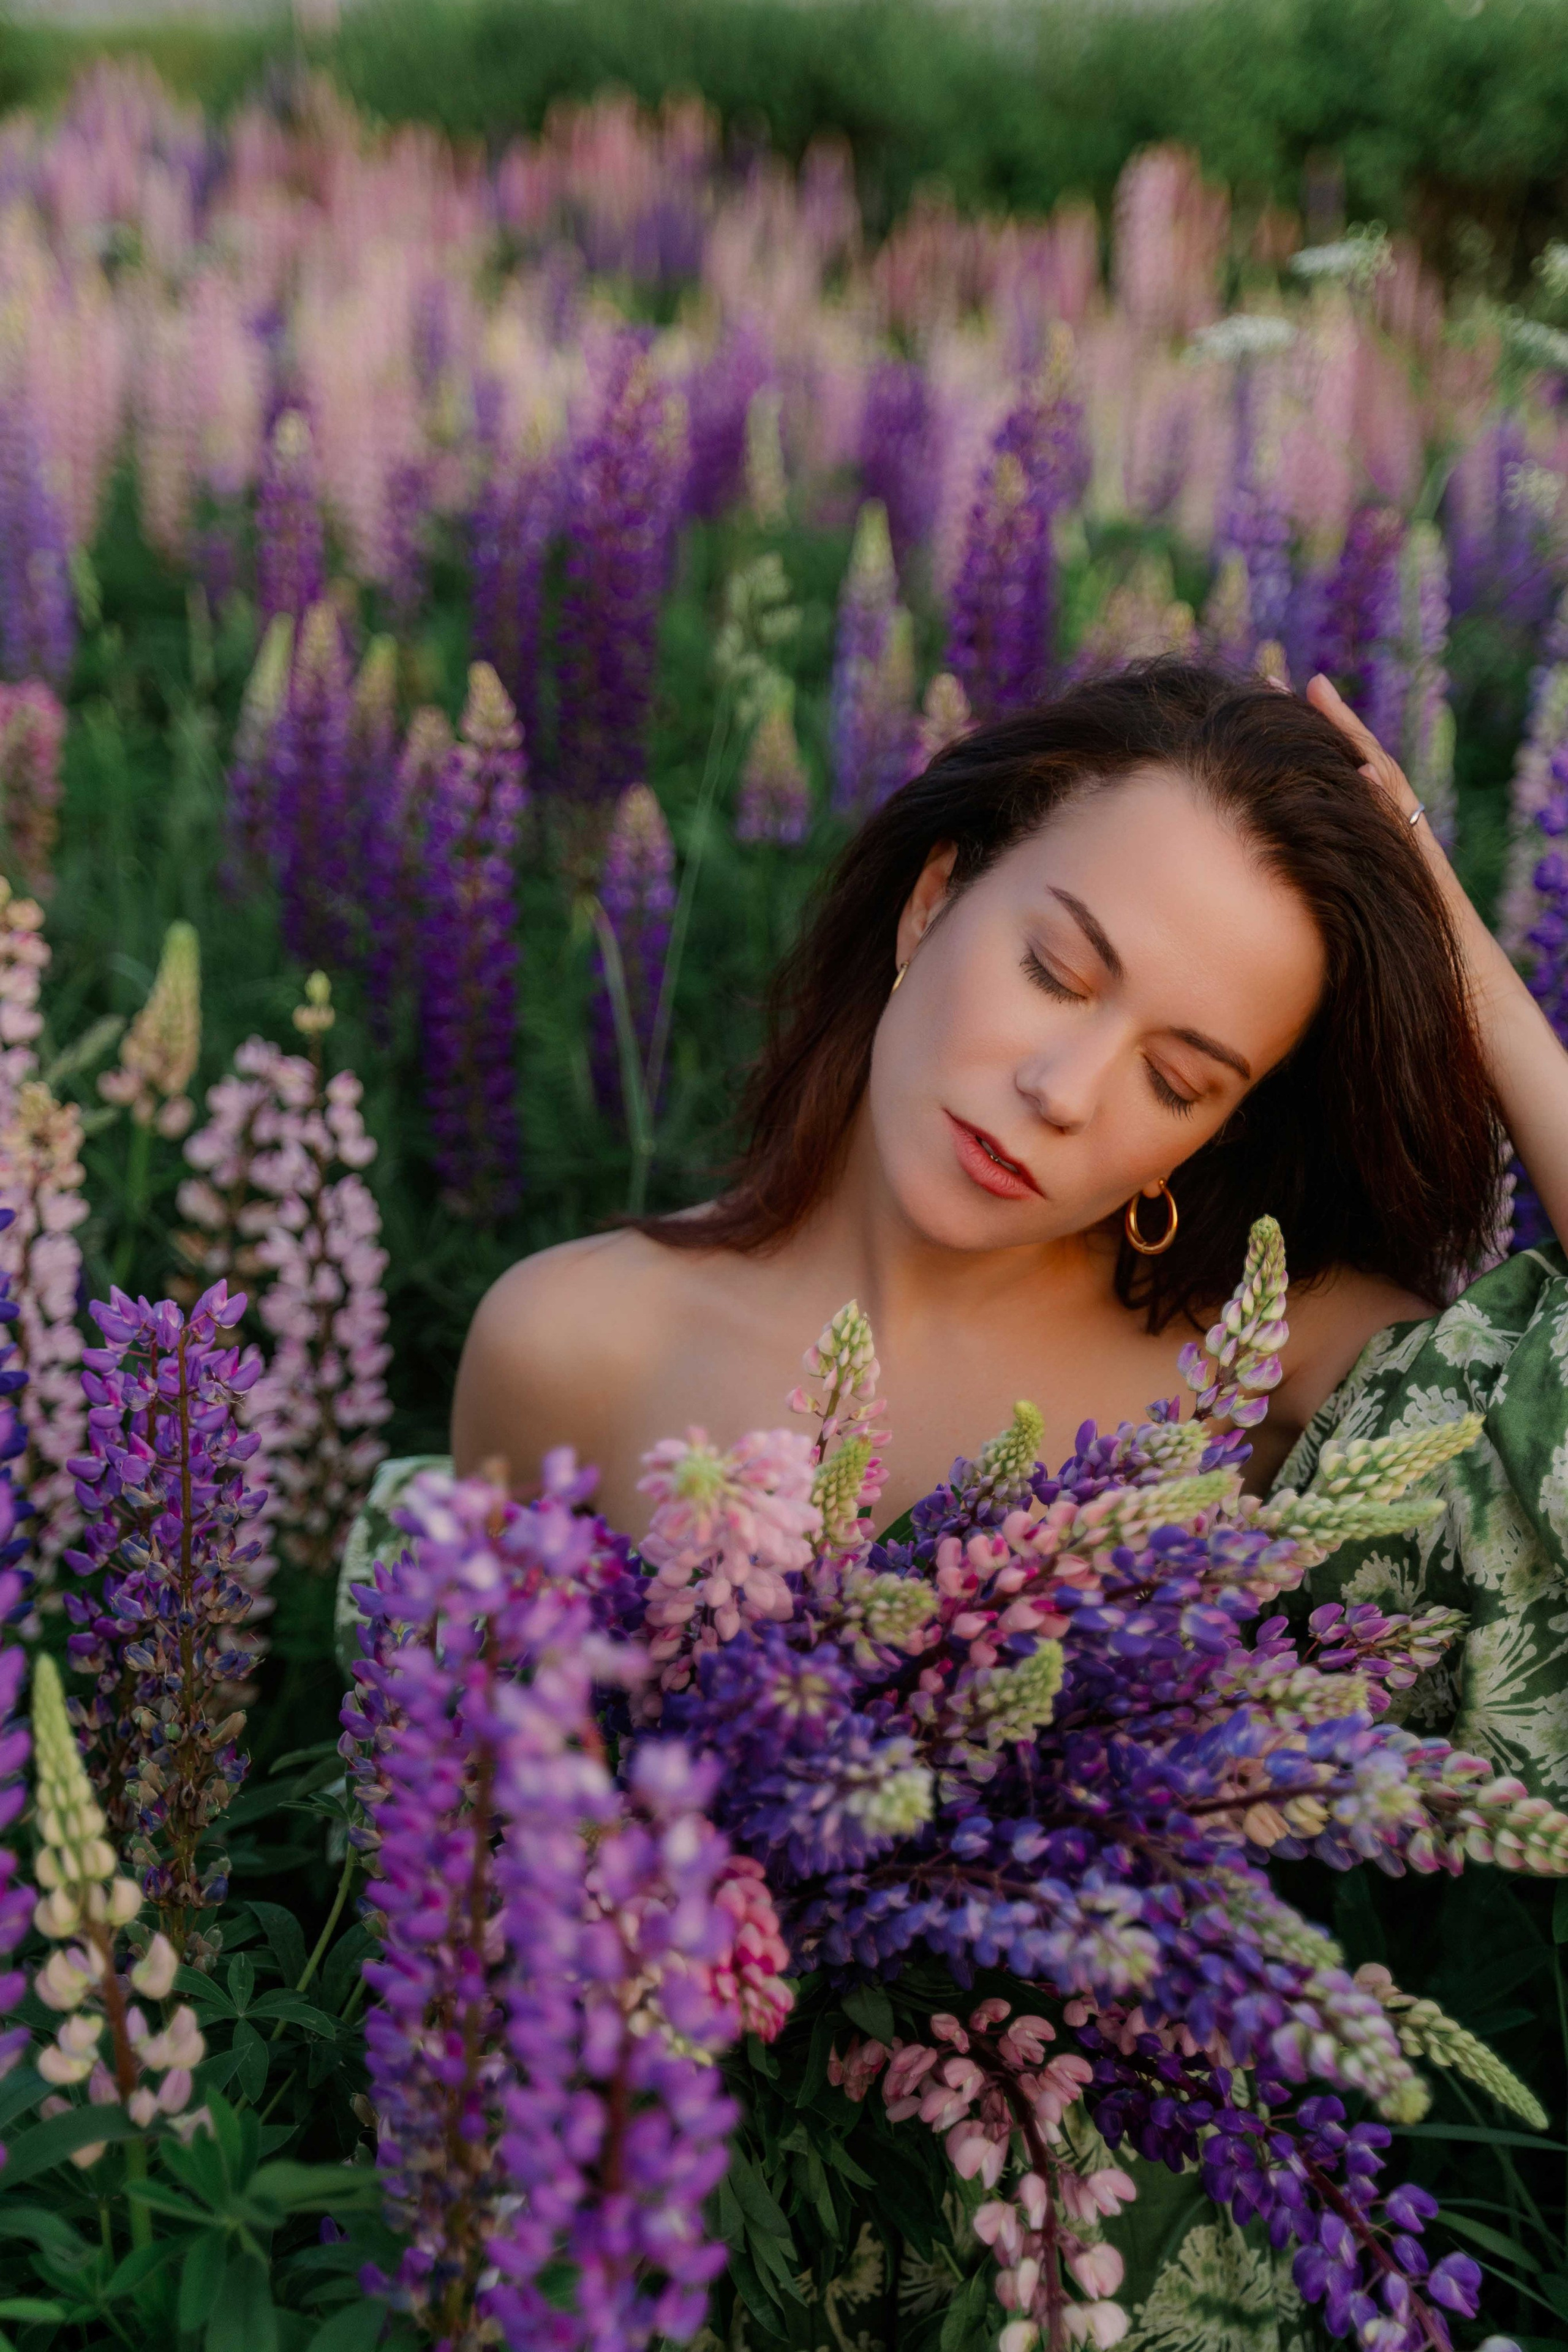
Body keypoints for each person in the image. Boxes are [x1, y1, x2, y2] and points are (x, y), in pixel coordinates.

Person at [359, 658, 1568, 2352]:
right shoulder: (576, 1344)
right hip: (690, 2276)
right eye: (1057, 968)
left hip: (1125, 2293)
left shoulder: (1265, 1361)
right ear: (937, 899)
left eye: (1183, 1075)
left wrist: (1481, 986)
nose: (1068, 1086)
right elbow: (461, 1924)